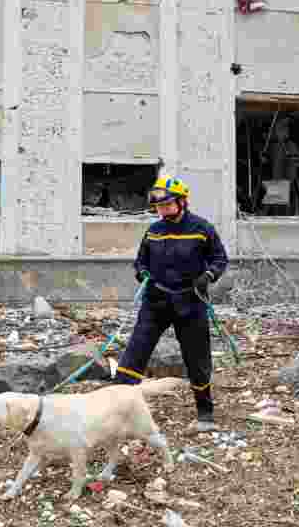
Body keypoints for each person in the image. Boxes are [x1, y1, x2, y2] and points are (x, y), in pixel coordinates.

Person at [113, 175, 229, 432]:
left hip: (191, 302)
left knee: (196, 358)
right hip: (156, 302)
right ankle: (117, 412)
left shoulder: (202, 229)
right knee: (135, 352)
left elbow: (220, 259)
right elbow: (140, 261)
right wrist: (142, 274)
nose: (162, 210)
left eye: (166, 205)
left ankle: (205, 414)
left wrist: (208, 276)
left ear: (181, 202)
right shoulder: (154, 231)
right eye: (158, 207)